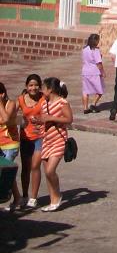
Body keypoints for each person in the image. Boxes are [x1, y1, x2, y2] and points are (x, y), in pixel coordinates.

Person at [30, 77, 72, 212]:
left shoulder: (62, 103)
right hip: (46, 138)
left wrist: (51, 118)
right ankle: (53, 200)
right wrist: (38, 121)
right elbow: (44, 119)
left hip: (59, 139)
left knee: (50, 170)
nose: (41, 90)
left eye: (44, 88)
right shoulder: (44, 103)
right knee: (47, 171)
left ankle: (58, 195)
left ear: (51, 89)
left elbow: (69, 119)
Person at [17, 73, 44, 208]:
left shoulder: (44, 98)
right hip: (25, 137)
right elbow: (11, 114)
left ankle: (33, 197)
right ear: (26, 86)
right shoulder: (21, 99)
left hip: (40, 137)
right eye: (30, 85)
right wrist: (20, 121)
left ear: (40, 86)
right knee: (25, 168)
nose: (33, 88)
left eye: (36, 85)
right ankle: (25, 195)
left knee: (35, 167)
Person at [0, 82, 21, 210]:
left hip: (10, 144)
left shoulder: (10, 104)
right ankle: (17, 197)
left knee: (6, 172)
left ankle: (8, 196)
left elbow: (6, 119)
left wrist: (0, 103)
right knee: (6, 173)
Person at [81, 33, 105, 114]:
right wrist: (103, 72)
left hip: (85, 71)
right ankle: (93, 104)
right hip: (94, 72)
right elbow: (99, 63)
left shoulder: (84, 49)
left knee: (85, 91)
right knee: (100, 90)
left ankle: (85, 108)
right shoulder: (96, 50)